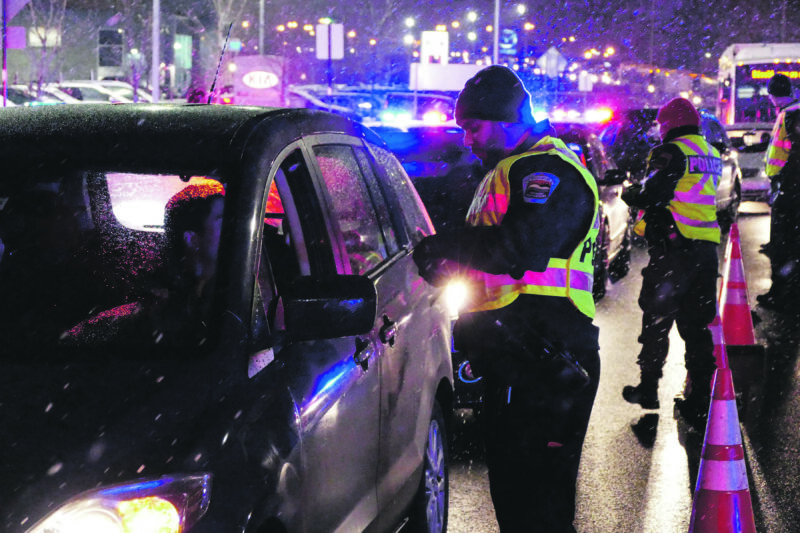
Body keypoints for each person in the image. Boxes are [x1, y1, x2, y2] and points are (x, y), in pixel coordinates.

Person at [412, 65, 600, 533]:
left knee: (537, 508)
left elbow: (521, 249)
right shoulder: (508, 171)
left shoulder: (547, 172)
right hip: (522, 357)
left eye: (473, 127)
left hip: (547, 359)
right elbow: (494, 258)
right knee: (520, 501)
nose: (467, 139)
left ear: (503, 117)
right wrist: (446, 262)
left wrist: (449, 245)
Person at [620, 97, 721, 431]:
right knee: (697, 328)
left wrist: (628, 191)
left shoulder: (671, 151)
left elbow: (652, 193)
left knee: (657, 321)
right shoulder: (710, 152)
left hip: (675, 251)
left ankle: (648, 389)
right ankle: (699, 401)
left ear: (668, 125)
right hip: (706, 251)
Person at [62, 179, 225, 347]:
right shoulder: (158, 304)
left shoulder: (232, 283)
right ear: (192, 239)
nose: (233, 228)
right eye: (221, 221)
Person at [756, 73, 800, 314]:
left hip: (789, 189)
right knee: (787, 244)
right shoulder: (789, 113)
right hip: (788, 187)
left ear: (773, 96)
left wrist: (783, 182)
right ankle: (785, 293)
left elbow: (793, 154)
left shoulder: (791, 115)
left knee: (783, 245)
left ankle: (782, 295)